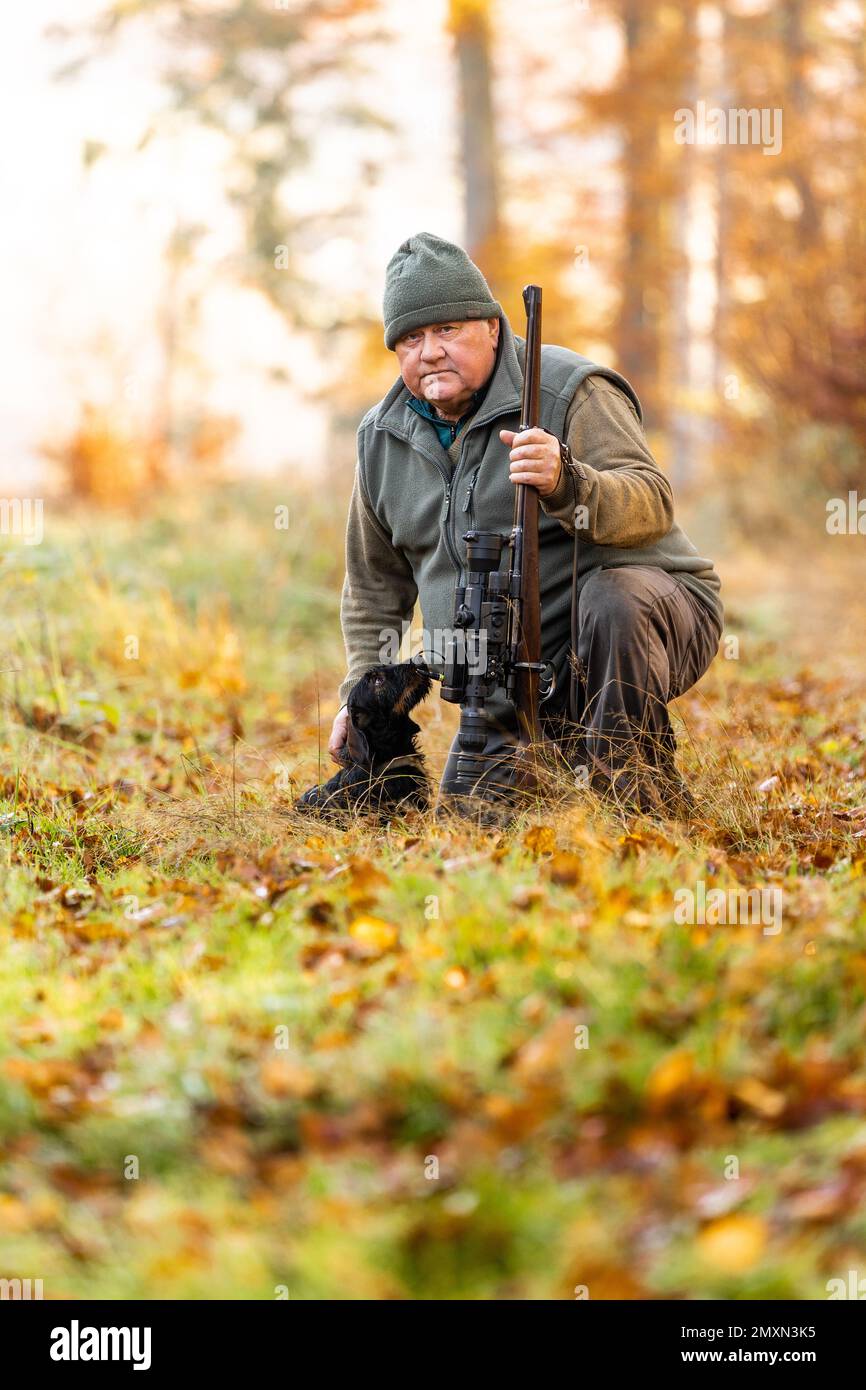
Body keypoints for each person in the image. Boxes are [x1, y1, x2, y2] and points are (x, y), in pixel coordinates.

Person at [328, 232, 723, 816]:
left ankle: (637, 795)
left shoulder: (571, 390)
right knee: (475, 824)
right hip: (501, 677)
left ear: (492, 327)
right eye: (411, 338)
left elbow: (652, 502)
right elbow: (372, 586)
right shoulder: (381, 438)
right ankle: (559, 752)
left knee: (615, 596)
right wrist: (356, 695)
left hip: (642, 624)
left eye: (447, 330)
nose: (429, 352)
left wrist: (569, 482)